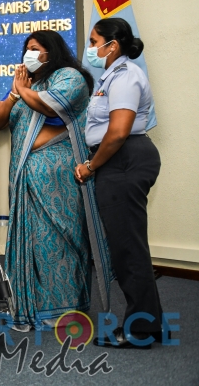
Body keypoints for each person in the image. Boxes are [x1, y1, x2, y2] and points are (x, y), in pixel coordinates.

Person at [0, 30, 102, 330]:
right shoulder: (27, 86)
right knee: (32, 243)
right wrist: (15, 94)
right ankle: (32, 308)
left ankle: (65, 309)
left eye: (35, 48)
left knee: (59, 240)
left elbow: (52, 106)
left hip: (58, 179)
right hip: (25, 176)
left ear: (51, 52)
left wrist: (22, 90)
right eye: (26, 48)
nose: (29, 53)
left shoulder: (70, 78)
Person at [75, 18, 163, 349]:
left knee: (127, 248)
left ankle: (140, 329)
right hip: (119, 159)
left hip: (124, 158)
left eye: (94, 41)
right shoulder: (111, 76)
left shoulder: (125, 76)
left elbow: (118, 131)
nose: (90, 48)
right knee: (129, 245)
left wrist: (90, 166)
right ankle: (150, 323)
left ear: (112, 45)